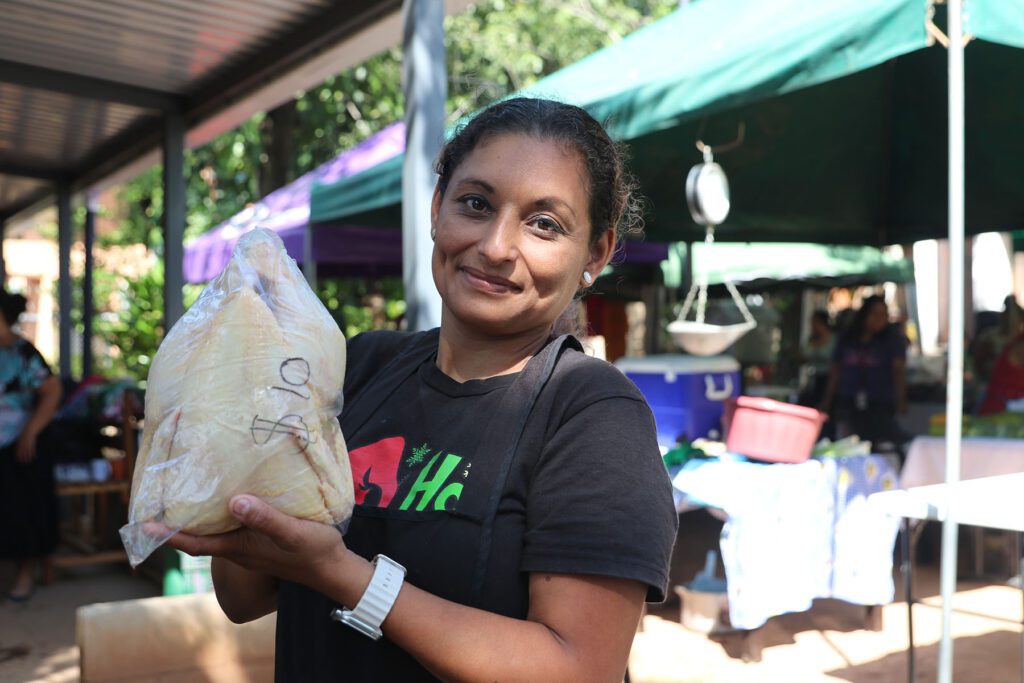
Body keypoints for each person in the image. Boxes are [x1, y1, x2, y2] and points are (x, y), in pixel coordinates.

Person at [164, 98, 679, 682]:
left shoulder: (592, 415)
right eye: (476, 204)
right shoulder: (357, 367)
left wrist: (343, 574)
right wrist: (228, 478)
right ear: (437, 209)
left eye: (544, 223)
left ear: (597, 254)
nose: (495, 246)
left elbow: (580, 669)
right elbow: (245, 597)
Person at [0, 290, 62, 601]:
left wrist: (30, 432)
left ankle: (25, 574)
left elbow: (52, 390)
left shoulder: (23, 353)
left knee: (22, 502)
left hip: (15, 441)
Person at [819, 295, 908, 448]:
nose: (879, 319)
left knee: (881, 443)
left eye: (883, 315)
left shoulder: (892, 339)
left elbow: (898, 372)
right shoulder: (848, 338)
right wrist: (827, 400)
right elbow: (836, 370)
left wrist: (901, 400)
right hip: (848, 401)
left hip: (880, 403)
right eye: (875, 314)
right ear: (865, 314)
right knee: (846, 444)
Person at [797, 310, 835, 408]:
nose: (813, 326)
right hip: (812, 380)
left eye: (815, 322)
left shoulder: (833, 340)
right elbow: (802, 359)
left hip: (827, 379)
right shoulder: (811, 339)